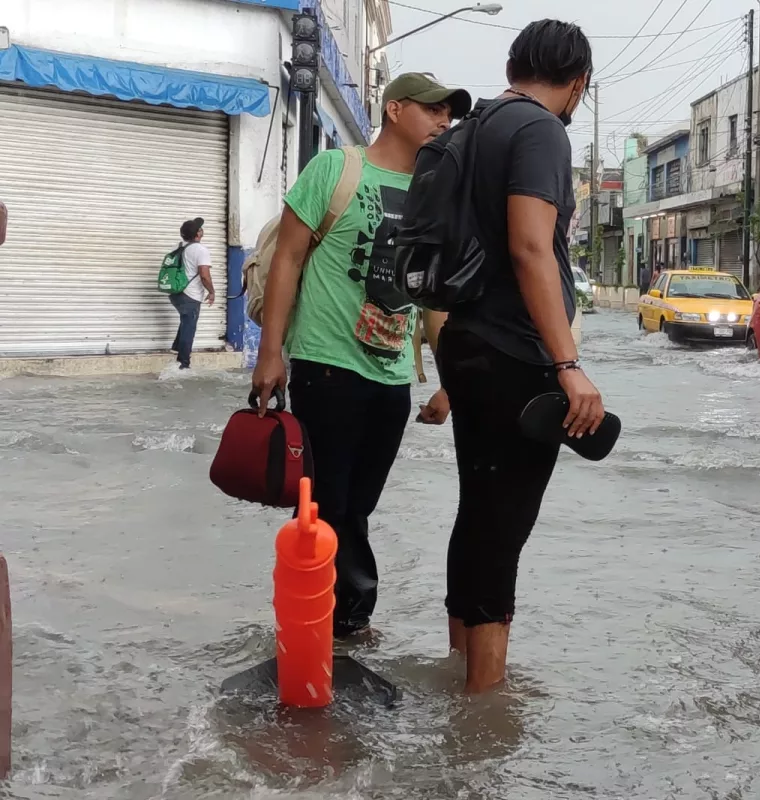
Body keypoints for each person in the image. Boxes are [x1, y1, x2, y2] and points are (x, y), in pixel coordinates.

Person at [251, 73, 471, 639]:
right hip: (327, 363)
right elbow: (288, 260)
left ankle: (332, 622)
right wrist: (270, 354)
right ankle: (335, 624)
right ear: (394, 109)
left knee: (358, 505)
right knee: (329, 502)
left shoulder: (435, 195)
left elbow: (433, 302)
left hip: (392, 373)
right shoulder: (336, 168)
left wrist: (451, 385)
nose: (444, 121)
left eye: (450, 114)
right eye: (433, 110)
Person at [435, 19, 605, 693]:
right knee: (502, 525)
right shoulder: (539, 130)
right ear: (577, 84)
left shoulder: (471, 127)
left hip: (465, 340)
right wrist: (568, 364)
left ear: (513, 63)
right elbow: (532, 247)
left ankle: (457, 670)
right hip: (516, 353)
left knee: (478, 509)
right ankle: (483, 707)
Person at [172, 218, 216, 369]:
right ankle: (183, 364)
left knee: (186, 322)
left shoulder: (180, 247)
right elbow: (204, 275)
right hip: (190, 294)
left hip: (176, 292)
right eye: (200, 228)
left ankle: (177, 348)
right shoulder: (200, 250)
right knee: (189, 326)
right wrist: (211, 292)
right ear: (198, 233)